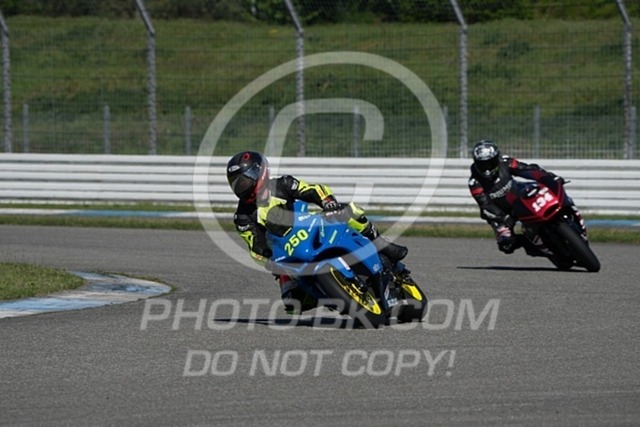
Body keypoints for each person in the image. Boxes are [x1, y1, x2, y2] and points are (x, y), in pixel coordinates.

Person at [226, 151, 408, 313]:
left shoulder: (283, 184)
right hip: (289, 253)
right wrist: (270, 261)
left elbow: (313, 190)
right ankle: (331, 294)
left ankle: (380, 243)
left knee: (348, 211)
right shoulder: (243, 217)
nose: (241, 187)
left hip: (313, 226)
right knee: (293, 303)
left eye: (243, 181)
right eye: (236, 184)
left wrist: (328, 202)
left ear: (259, 173)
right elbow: (255, 246)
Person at [468, 140, 586, 255]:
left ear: (496, 158)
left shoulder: (505, 162)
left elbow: (527, 170)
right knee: (506, 245)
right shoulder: (475, 183)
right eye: (482, 164)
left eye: (490, 163)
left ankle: (571, 215)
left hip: (519, 197)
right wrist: (503, 217)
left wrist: (549, 177)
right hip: (502, 213)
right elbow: (485, 205)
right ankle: (534, 246)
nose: (487, 168)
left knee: (550, 195)